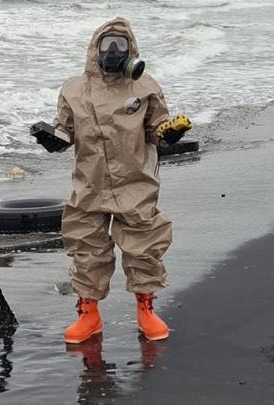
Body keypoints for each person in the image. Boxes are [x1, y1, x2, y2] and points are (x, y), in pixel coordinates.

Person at [52, 17, 176, 343]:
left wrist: (170, 131)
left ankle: (146, 309)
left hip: (135, 181)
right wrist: (53, 138)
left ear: (131, 49)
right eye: (108, 45)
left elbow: (157, 126)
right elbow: (63, 130)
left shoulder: (145, 86)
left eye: (120, 45)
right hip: (89, 183)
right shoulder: (74, 89)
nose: (114, 51)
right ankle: (88, 314)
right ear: (96, 48)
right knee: (86, 246)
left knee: (145, 245)